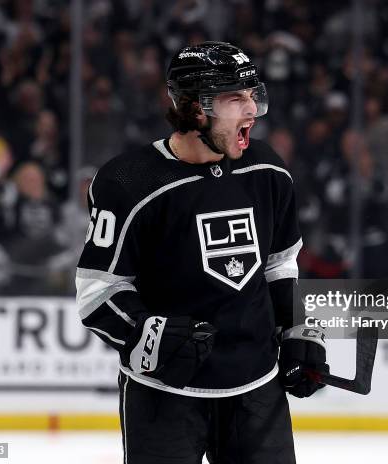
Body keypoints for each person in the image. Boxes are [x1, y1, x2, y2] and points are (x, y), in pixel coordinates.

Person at [75, 42, 329, 464]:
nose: (252, 110)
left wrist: (297, 328)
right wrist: (146, 334)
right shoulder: (129, 182)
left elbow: (279, 262)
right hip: (164, 394)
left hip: (257, 388)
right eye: (236, 99)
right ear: (195, 110)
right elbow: (97, 292)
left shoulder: (267, 170)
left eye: (252, 95)